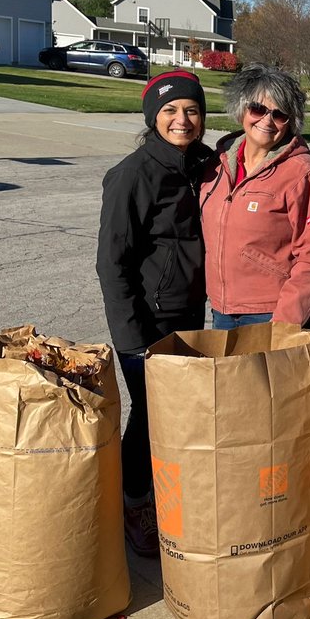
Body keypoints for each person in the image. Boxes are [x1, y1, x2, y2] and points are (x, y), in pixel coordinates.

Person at [97, 69, 213, 556]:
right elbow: (111, 262)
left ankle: (167, 495)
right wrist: (130, 338)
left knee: (177, 415)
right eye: (169, 111)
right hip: (148, 321)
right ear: (152, 118)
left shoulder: (203, 163)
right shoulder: (133, 175)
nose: (181, 120)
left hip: (189, 313)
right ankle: (134, 500)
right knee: (150, 414)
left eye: (190, 110)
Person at [200, 64, 310, 329]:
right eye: (258, 109)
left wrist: (284, 323)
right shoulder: (217, 164)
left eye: (279, 114)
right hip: (222, 310)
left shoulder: (305, 173)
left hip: (271, 315)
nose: (266, 120)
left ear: (291, 121)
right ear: (242, 109)